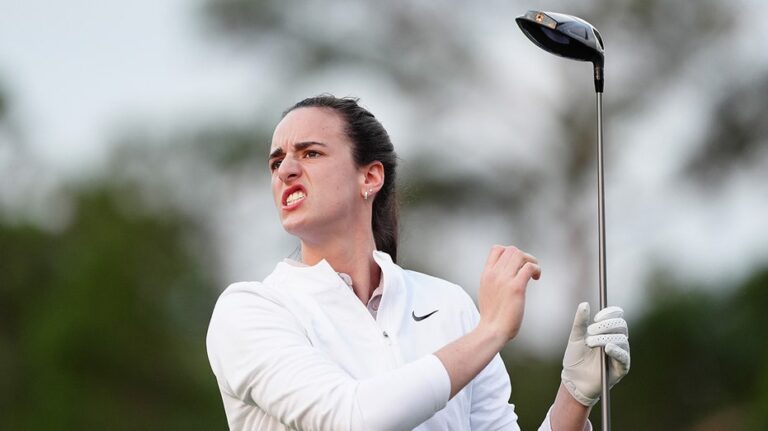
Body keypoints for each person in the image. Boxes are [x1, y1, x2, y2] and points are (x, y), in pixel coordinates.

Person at [206, 95, 630, 431]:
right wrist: (491, 331)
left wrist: (574, 396)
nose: (286, 170)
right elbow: (353, 420)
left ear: (369, 177)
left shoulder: (448, 304)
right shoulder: (249, 310)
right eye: (277, 161)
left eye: (310, 153)